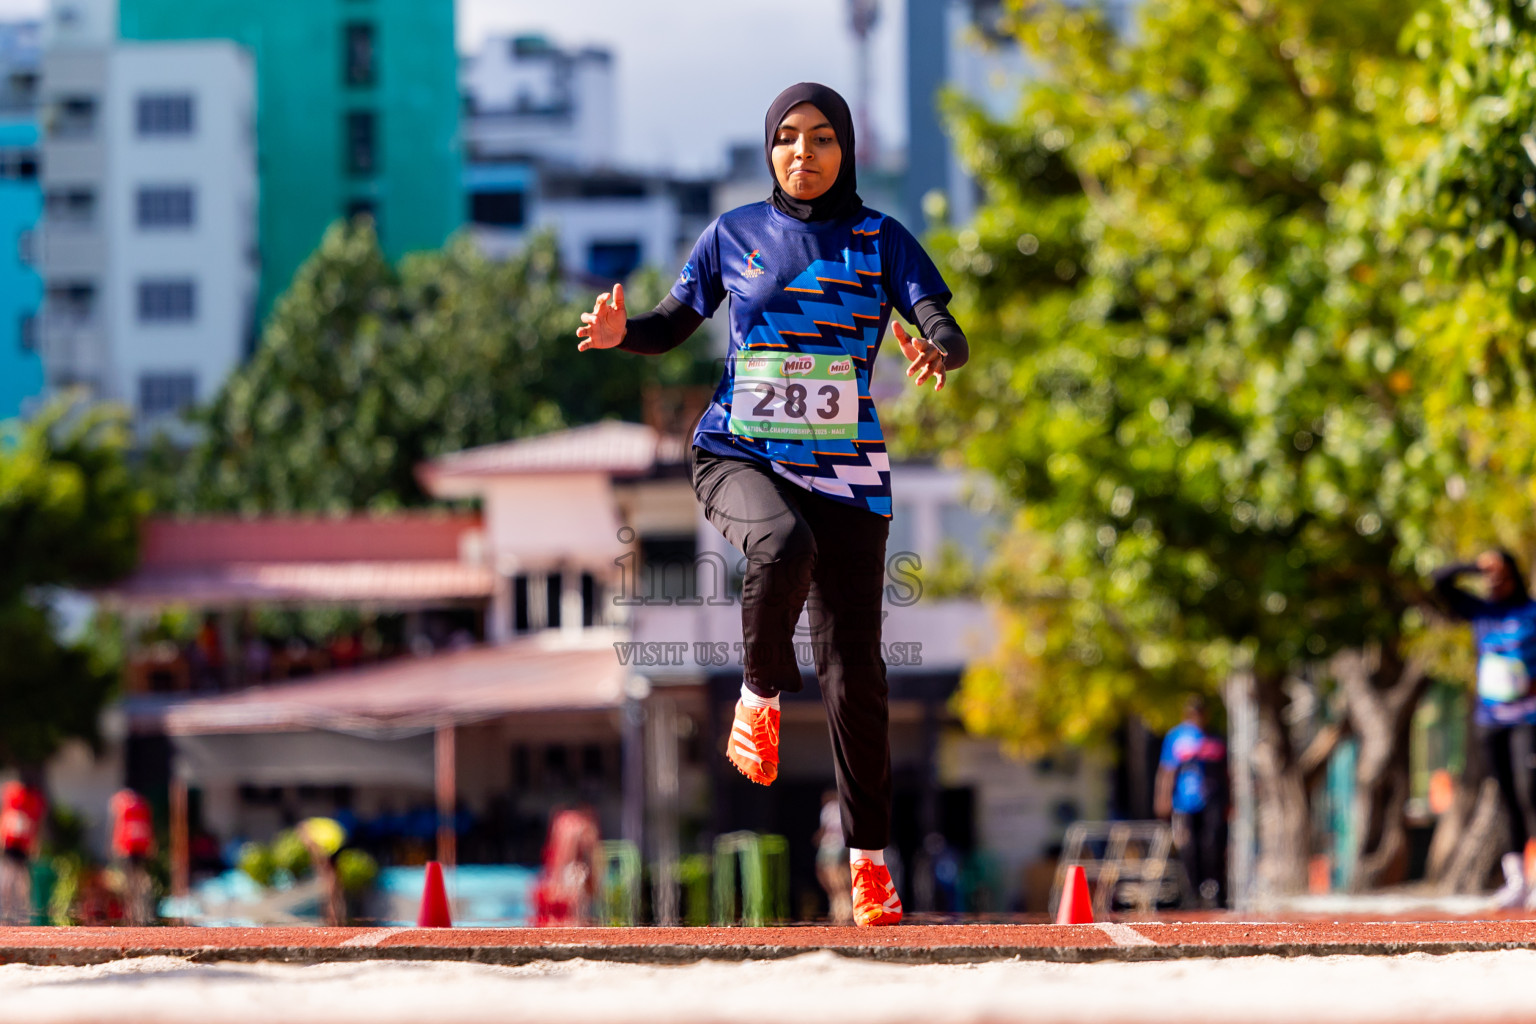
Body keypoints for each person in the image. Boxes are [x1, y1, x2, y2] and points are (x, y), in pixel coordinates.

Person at [578, 82, 968, 927]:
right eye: (787, 138)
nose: (803, 152)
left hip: (850, 474)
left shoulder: (881, 240)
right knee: (782, 545)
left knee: (856, 673)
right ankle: (758, 698)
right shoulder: (733, 235)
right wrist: (622, 334)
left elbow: (940, 318)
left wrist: (937, 344)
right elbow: (670, 322)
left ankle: (869, 865)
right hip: (739, 450)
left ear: (846, 149)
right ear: (769, 150)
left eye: (821, 138)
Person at [1431, 550, 1536, 909]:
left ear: (1515, 577)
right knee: (1505, 795)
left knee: (1530, 789)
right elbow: (1438, 580)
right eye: (1490, 577)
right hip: (1491, 719)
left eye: (1502, 575)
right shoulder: (1483, 612)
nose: (1495, 582)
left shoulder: (1531, 613)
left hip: (1528, 717)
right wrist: (1474, 566)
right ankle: (1517, 881)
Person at [1155, 696, 1229, 908]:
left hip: (1212, 800)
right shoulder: (1176, 737)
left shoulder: (1215, 738)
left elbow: (1226, 772)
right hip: (1185, 802)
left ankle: (1217, 891)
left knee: (1214, 845)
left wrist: (1229, 801)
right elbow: (1167, 770)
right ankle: (1194, 892)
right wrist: (1163, 798)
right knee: (1189, 847)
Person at [0, 777, 46, 925]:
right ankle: (6, 913)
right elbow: (6, 817)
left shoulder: (34, 799)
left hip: (23, 846)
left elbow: (35, 824)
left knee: (21, 880)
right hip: (11, 844)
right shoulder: (13, 793)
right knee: (8, 879)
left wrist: (35, 846)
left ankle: (20, 914)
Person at [109, 787, 156, 926]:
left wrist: (115, 844)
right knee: (138, 882)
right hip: (140, 846)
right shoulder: (143, 804)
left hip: (128, 847)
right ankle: (139, 914)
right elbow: (148, 827)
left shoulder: (122, 804)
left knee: (130, 884)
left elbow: (118, 826)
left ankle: (133, 915)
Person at [814, 790, 852, 923]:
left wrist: (818, 838)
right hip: (840, 845)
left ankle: (843, 905)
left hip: (833, 846)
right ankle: (841, 905)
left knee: (836, 877)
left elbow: (826, 829)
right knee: (837, 876)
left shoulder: (830, 808)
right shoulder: (844, 807)